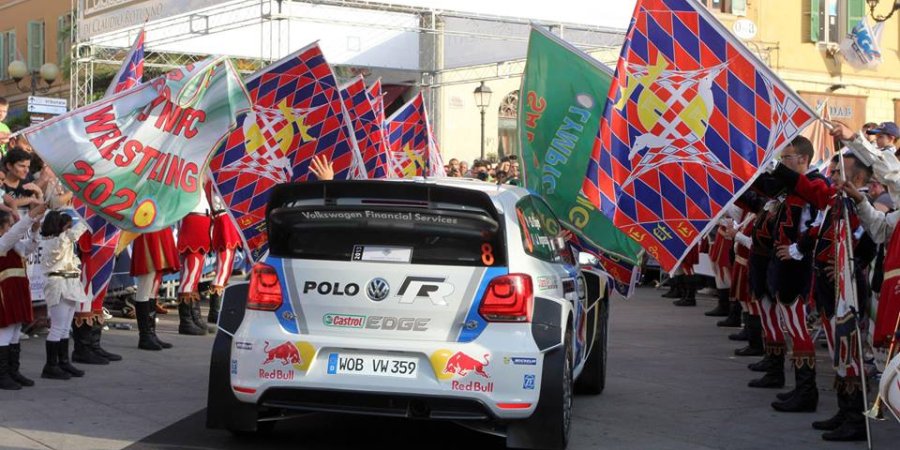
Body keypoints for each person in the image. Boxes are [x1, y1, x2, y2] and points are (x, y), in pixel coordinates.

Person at [773, 152, 876, 440]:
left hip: (846, 287)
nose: (831, 176)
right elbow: (815, 219)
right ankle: (845, 411)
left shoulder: (862, 204)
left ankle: (856, 419)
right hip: (828, 285)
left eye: (837, 172)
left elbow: (869, 245)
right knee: (837, 351)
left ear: (857, 177)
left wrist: (849, 265)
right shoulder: (836, 200)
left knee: (849, 350)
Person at [767, 136, 825, 413]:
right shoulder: (793, 186)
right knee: (791, 326)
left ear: (803, 158)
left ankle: (807, 391)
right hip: (785, 265)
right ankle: (801, 387)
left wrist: (798, 249)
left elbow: (820, 224)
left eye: (787, 158)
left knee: (800, 327)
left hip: (800, 266)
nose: (783, 164)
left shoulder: (816, 184)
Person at [39, 210, 91, 380]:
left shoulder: (62, 241)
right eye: (67, 226)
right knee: (57, 327)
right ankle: (51, 366)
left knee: (65, 328)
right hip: (59, 285)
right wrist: (90, 215)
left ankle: (63, 362)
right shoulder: (55, 242)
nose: (69, 229)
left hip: (70, 284)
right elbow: (75, 233)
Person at [0, 202, 47, 390]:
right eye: (8, 225)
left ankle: (13, 371)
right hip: (4, 295)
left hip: (16, 293)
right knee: (4, 332)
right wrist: (31, 216)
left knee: (15, 332)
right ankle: (2, 375)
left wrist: (35, 231)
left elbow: (29, 247)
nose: (11, 228)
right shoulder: (2, 243)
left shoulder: (12, 244)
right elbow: (15, 234)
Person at [130, 227, 180, 350]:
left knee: (154, 285)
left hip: (160, 229)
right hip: (148, 228)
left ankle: (151, 333)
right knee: (146, 281)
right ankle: (145, 336)